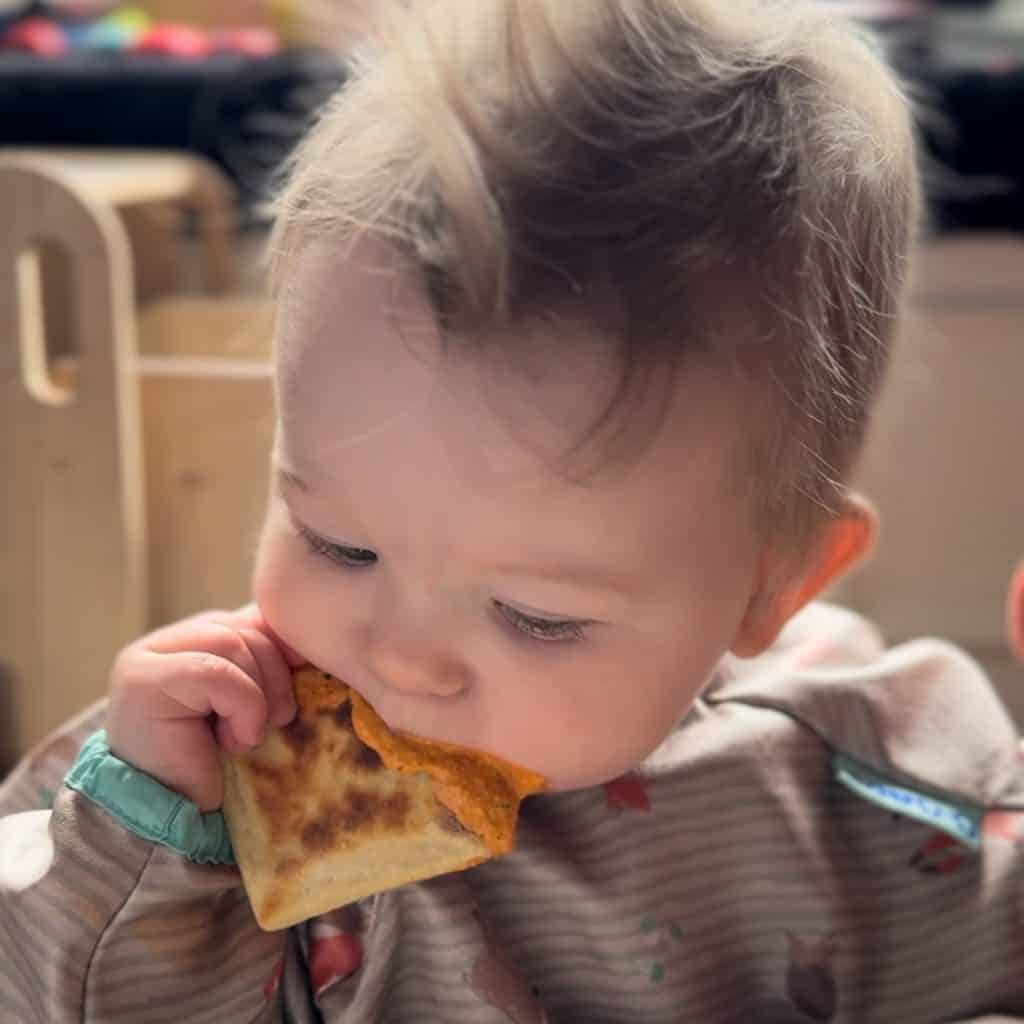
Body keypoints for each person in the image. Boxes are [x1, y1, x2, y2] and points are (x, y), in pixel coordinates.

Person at [2, 1, 1022, 1020]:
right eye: (339, 543)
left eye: (537, 614)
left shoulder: (882, 800)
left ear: (779, 583)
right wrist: (142, 834)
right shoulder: (191, 782)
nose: (401, 659)